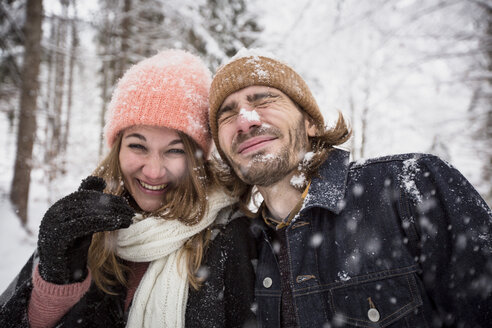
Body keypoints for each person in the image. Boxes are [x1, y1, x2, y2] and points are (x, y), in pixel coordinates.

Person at [208, 49, 492, 327]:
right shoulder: (242, 246)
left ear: (310, 123)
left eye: (264, 100)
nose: (245, 120)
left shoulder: (413, 187)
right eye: (227, 114)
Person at [0, 49, 256, 328]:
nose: (153, 171)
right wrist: (54, 286)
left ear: (198, 159)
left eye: (174, 151)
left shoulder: (232, 236)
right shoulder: (82, 225)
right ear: (117, 149)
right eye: (138, 146)